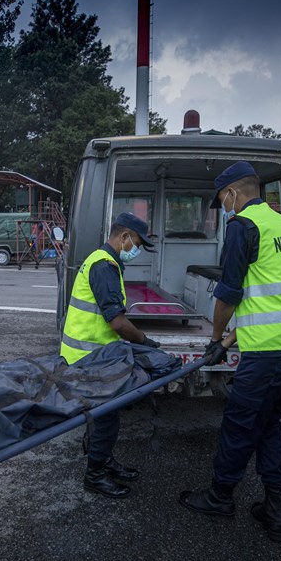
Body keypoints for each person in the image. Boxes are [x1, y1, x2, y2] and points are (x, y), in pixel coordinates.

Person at [178, 161, 281, 542]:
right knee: (269, 423)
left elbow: (229, 294)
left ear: (232, 194)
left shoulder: (244, 226)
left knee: (240, 424)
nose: (224, 208)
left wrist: (215, 338)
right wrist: (228, 344)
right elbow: (273, 301)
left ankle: (220, 496)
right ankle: (275, 509)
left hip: (269, 355)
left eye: (222, 200)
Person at [59, 212, 160, 499]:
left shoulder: (103, 260)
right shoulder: (104, 266)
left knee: (107, 415)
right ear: (124, 236)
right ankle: (94, 475)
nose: (137, 250)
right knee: (105, 418)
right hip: (89, 357)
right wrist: (144, 341)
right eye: (137, 243)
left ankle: (104, 460)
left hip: (96, 354)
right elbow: (116, 321)